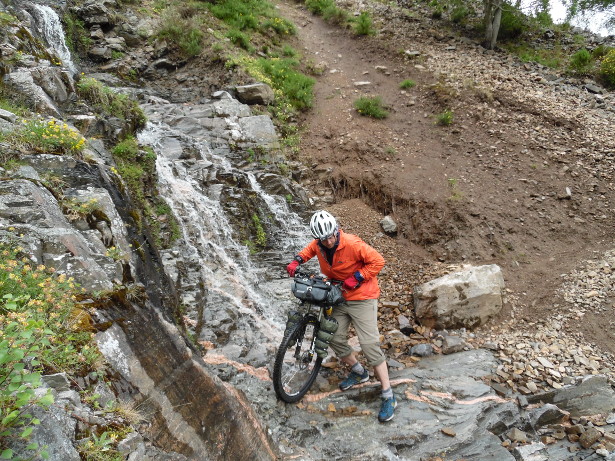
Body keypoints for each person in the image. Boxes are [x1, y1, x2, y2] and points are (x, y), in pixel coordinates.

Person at [286, 210, 396, 422]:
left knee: (369, 344)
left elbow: (378, 261)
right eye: (323, 238)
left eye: (330, 236)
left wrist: (356, 277)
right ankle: (358, 371)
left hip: (362, 297)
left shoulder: (352, 243)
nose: (328, 242)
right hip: (338, 296)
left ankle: (388, 394)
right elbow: (310, 249)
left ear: (336, 230)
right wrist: (296, 261)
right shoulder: (319, 243)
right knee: (332, 337)